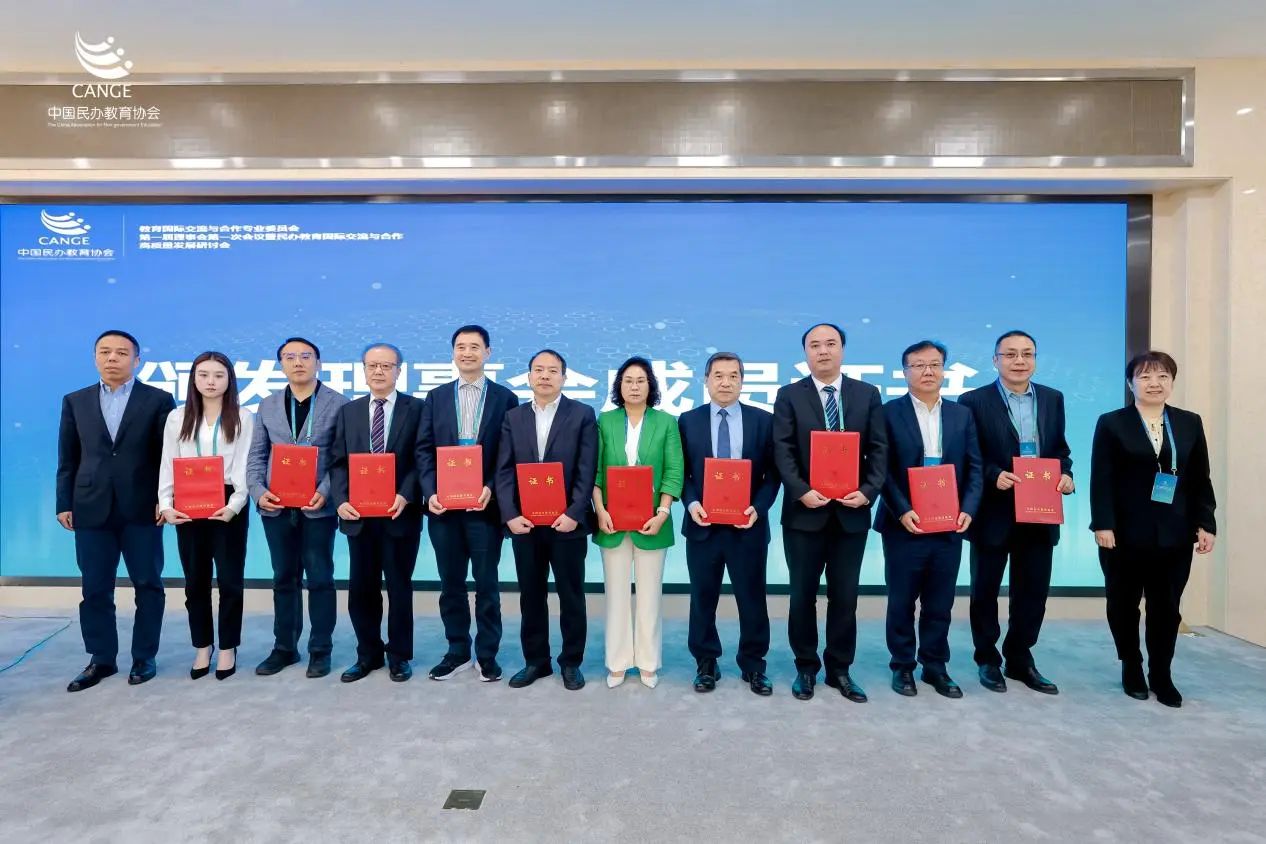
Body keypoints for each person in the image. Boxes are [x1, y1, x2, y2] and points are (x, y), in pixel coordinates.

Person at [1090, 351, 1216, 708]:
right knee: (1123, 604)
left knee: (1166, 607)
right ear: (1131, 384)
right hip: (1124, 534)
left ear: (1172, 382)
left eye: (1162, 376)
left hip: (1175, 533)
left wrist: (1206, 523)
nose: (1154, 383)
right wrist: (1103, 523)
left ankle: (1162, 674)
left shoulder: (1189, 423)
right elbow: (1101, 477)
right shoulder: (1112, 423)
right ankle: (1131, 665)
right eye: (1145, 377)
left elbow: (1200, 478)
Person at [772, 323, 887, 702]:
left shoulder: (867, 394)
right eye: (815, 345)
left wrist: (868, 492)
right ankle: (805, 667)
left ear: (842, 349)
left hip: (851, 514)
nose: (823, 351)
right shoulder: (789, 395)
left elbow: (879, 449)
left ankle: (840, 669)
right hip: (804, 514)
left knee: (845, 597)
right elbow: (783, 450)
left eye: (830, 344)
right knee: (802, 595)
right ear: (805, 352)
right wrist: (801, 491)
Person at [57, 330, 175, 692]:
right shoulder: (75, 401)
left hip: (142, 507)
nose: (112, 358)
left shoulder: (158, 400)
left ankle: (144, 657)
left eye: (121, 353)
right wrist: (64, 502)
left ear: (136, 360)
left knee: (148, 585)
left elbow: (167, 457)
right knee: (95, 588)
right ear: (95, 357)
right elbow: (68, 457)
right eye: (105, 352)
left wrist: (165, 499)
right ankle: (101, 658)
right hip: (90, 507)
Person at [958, 330, 1074, 695]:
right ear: (995, 360)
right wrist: (994, 474)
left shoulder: (1052, 398)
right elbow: (968, 455)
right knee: (985, 589)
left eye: (1027, 353)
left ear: (1035, 359)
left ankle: (1020, 657)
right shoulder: (973, 400)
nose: (1019, 361)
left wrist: (1066, 474)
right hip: (994, 510)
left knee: (1033, 590)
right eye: (1010, 354)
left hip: (1040, 508)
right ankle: (987, 658)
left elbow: (1059, 450)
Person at [874, 341, 983, 698]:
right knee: (902, 600)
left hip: (949, 522)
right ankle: (902, 666)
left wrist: (969, 508)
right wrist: (902, 509)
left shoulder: (962, 414)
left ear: (944, 370)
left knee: (940, 601)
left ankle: (935, 666)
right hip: (904, 523)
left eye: (934, 364)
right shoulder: (888, 413)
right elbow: (881, 469)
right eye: (918, 365)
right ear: (905, 372)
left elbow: (975, 466)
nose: (927, 371)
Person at [415, 325, 519, 682]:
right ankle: (457, 651)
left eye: (475, 347)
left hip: (485, 509)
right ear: (453, 353)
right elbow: (423, 450)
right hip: (444, 509)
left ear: (488, 352)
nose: (467, 353)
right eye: (461, 346)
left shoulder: (505, 398)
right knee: (451, 584)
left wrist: (491, 487)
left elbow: (508, 452)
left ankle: (487, 654)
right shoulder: (436, 397)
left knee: (487, 584)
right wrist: (430, 493)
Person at [495, 349, 598, 691]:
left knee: (571, 595)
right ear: (528, 377)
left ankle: (571, 662)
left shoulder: (582, 414)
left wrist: (574, 513)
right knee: (531, 595)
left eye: (553, 371)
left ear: (564, 378)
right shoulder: (513, 417)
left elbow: (586, 469)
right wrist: (510, 515)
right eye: (538, 370)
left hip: (567, 525)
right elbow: (503, 470)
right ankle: (536, 661)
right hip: (525, 524)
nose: (545, 376)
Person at [678, 352, 780, 695]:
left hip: (747, 527)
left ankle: (753, 665)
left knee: (752, 599)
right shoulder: (687, 421)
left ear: (742, 381)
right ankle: (706, 662)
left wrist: (758, 508)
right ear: (706, 380)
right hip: (703, 526)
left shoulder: (763, 421)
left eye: (733, 376)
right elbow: (682, 472)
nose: (726, 382)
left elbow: (773, 474)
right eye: (718, 376)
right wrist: (691, 503)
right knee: (702, 598)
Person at [247, 336, 348, 679]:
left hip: (318, 507)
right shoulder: (267, 404)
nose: (298, 362)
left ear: (319, 362)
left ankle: (320, 649)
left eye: (306, 356)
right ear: (281, 365)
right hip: (275, 507)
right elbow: (257, 455)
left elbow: (341, 458)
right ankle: (285, 648)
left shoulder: (339, 403)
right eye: (290, 357)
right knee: (283, 579)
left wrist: (326, 491)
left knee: (320, 578)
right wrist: (258, 491)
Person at [330, 343, 424, 683]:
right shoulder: (349, 412)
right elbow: (338, 462)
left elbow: (421, 458)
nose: (379, 371)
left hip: (400, 514)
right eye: (372, 365)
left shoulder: (418, 409)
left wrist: (406, 494)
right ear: (364, 370)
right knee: (361, 589)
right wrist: (340, 499)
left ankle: (399, 656)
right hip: (358, 516)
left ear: (399, 370)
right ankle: (367, 654)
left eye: (386, 365)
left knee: (399, 588)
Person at [157, 351, 253, 681]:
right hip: (187, 502)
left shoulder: (243, 416)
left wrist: (236, 504)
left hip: (227, 501)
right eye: (203, 375)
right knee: (195, 581)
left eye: (218, 375)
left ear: (230, 380)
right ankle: (202, 645)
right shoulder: (177, 417)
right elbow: (168, 462)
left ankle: (228, 647)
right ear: (193, 379)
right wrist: (166, 504)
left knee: (230, 580)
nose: (211, 382)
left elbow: (243, 464)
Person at [592, 356, 684, 689]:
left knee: (649, 596)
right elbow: (595, 472)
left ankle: (647, 661)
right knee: (616, 596)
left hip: (652, 522)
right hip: (612, 523)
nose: (634, 386)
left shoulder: (666, 422)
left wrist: (662, 513)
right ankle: (617, 662)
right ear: (619, 386)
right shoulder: (605, 421)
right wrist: (600, 510)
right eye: (628, 380)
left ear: (651, 386)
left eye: (640, 380)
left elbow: (673, 470)